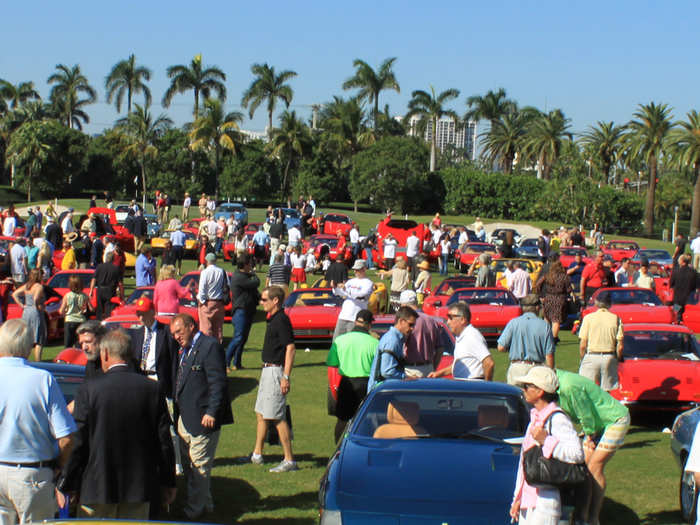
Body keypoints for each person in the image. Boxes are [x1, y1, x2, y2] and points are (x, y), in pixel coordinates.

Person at [60, 329, 176, 520]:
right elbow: (163, 441)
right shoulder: (152, 389)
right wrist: (168, 481)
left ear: (105, 354)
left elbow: (79, 442)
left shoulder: (89, 389)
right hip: (138, 488)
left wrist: (67, 483)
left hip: (97, 488)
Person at [0, 319, 77, 524]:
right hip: (31, 474)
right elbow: (67, 436)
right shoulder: (42, 379)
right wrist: (59, 466)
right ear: (28, 346)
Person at [170, 314, 232, 517]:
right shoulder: (184, 350)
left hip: (203, 419)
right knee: (191, 468)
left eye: (179, 331)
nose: (176, 337)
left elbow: (218, 382)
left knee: (199, 469)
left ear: (191, 326)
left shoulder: (209, 346)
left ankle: (193, 513)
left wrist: (212, 412)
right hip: (185, 419)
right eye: (173, 334)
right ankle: (206, 505)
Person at [510, 367, 584, 525]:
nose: (523, 389)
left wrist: (547, 441)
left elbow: (577, 454)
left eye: (527, 386)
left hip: (546, 501)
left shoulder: (557, 419)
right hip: (528, 502)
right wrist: (518, 498)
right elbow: (525, 462)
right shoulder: (535, 419)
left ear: (540, 391)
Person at [555, 369, 630, 525]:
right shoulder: (557, 387)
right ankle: (581, 514)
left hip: (615, 419)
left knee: (595, 466)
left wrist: (589, 436)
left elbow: (585, 414)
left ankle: (593, 517)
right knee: (584, 468)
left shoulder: (568, 386)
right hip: (597, 423)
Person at [246, 286, 297, 472]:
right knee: (261, 413)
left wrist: (285, 377)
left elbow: (290, 348)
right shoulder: (273, 319)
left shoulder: (281, 320)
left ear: (275, 301)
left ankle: (289, 460)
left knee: (276, 416)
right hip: (267, 370)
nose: (262, 303)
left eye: (264, 299)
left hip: (276, 372)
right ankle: (257, 454)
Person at [326, 309, 378, 442]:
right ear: (369, 324)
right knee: (365, 420)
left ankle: (337, 447)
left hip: (345, 383)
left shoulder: (340, 340)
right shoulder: (375, 343)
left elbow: (332, 363)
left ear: (356, 322)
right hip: (365, 384)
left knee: (342, 420)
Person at [497, 294, 556, 385]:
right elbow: (549, 355)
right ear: (537, 308)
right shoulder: (544, 326)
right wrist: (551, 372)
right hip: (536, 368)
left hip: (516, 367)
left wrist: (513, 348)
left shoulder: (513, 323)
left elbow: (501, 347)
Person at [429, 301, 494, 380]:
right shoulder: (462, 336)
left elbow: (489, 363)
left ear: (462, 319)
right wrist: (438, 374)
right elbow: (458, 366)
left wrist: (486, 387)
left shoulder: (472, 336)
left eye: (451, 317)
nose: (448, 322)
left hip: (473, 385)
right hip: (464, 384)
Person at [578, 292, 623, 391]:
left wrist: (582, 358)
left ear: (596, 302)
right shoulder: (616, 318)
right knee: (607, 391)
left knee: (588, 389)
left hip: (591, 355)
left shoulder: (588, 318)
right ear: (609, 303)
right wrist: (618, 359)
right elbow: (619, 346)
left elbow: (583, 344)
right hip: (609, 357)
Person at [367, 306, 418, 391]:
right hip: (382, 392)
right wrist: (406, 377)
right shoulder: (392, 340)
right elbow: (387, 371)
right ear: (401, 321)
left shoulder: (396, 339)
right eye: (410, 325)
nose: (412, 328)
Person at [398, 290, 446, 377]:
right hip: (428, 368)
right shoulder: (432, 321)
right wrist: (433, 367)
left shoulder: (405, 321)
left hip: (410, 370)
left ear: (404, 305)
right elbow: (440, 348)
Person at [225, 254, 260, 371]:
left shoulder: (245, 275)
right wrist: (254, 274)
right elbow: (256, 282)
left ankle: (237, 363)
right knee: (238, 338)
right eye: (250, 263)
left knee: (243, 338)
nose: (251, 265)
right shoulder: (239, 277)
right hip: (240, 310)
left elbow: (254, 290)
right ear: (245, 264)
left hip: (248, 310)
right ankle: (225, 363)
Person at [333, 259, 374, 340]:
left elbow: (361, 296)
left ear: (364, 269)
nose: (355, 271)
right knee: (336, 341)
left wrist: (346, 290)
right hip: (343, 316)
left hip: (355, 318)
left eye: (358, 270)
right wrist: (335, 287)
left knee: (351, 342)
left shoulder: (368, 283)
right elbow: (340, 293)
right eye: (354, 269)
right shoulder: (351, 281)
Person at [12, 268, 46, 361]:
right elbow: (36, 299)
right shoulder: (39, 286)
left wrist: (22, 305)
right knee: (38, 338)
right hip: (35, 312)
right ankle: (38, 361)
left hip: (26, 312)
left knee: (27, 336)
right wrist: (39, 305)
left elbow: (15, 294)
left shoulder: (27, 286)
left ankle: (23, 358)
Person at [197, 252, 229, 343]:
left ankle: (207, 349)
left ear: (206, 261)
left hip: (207, 302)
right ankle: (217, 348)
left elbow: (202, 289)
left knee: (205, 329)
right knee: (218, 329)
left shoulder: (205, 272)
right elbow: (227, 286)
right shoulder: (223, 272)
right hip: (219, 303)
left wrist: (201, 301)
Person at [540, 261, 572, 342]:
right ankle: (554, 338)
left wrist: (541, 295)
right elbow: (569, 289)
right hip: (559, 299)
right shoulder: (564, 277)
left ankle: (545, 336)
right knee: (556, 319)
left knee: (547, 318)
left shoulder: (548, 276)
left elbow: (538, 284)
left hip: (548, 297)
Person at [88, 251, 124, 320]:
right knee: (109, 310)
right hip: (110, 291)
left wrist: (91, 291)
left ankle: (99, 322)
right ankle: (108, 323)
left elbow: (94, 279)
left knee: (99, 310)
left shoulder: (99, 267)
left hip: (100, 290)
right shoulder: (116, 268)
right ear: (113, 259)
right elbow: (120, 284)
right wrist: (122, 295)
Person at [59, 274, 89, 349]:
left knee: (68, 344)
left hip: (70, 320)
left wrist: (64, 313)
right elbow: (90, 309)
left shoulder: (67, 296)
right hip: (81, 320)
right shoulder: (84, 296)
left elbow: (61, 310)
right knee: (79, 342)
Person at [671, 254, 697, 322]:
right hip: (688, 298)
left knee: (676, 314)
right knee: (687, 316)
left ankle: (676, 323)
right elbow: (695, 285)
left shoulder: (676, 271)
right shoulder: (693, 272)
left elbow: (671, 283)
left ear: (682, 261)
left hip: (677, 298)